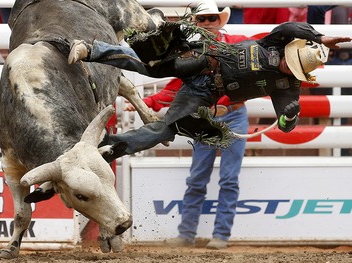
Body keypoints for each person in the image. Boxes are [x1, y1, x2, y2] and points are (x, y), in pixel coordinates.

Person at [68, 21, 351, 163]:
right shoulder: (276, 41)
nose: (287, 68)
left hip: (206, 92)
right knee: (152, 67)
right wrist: (318, 37)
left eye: (293, 68)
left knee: (168, 129)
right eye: (291, 61)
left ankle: (107, 148)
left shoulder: (287, 87)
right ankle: (91, 49)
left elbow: (287, 127)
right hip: (203, 58)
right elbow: (292, 26)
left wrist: (290, 115)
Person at [125, 0, 250, 249]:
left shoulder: (237, 45)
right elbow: (176, 89)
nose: (207, 23)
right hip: (211, 116)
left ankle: (217, 236)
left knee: (227, 179)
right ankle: (192, 234)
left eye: (211, 19)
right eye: (202, 20)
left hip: (228, 115)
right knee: (198, 178)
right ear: (197, 23)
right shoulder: (194, 51)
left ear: (219, 21)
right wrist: (147, 101)